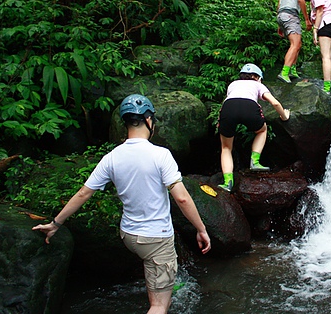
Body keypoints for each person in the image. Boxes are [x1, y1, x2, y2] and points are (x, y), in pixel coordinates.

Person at [32, 94, 211, 314]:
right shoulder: (160, 155)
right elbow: (182, 198)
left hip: (129, 235)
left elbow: (83, 193)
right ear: (148, 120)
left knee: (152, 274)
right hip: (156, 237)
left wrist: (55, 223)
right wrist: (201, 229)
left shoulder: (112, 157)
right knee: (159, 306)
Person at [217, 63, 290, 192]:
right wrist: (284, 116)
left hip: (228, 108)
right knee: (262, 130)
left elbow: (228, 101)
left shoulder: (233, 84)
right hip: (249, 107)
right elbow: (275, 103)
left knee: (226, 147)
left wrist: (220, 120)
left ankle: (228, 182)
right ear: (256, 77)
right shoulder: (258, 84)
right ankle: (254, 161)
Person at [277, 0, 312, 83]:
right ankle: (284, 72)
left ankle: (292, 69)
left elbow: (279, 4)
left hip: (282, 15)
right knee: (295, 44)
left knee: (298, 43)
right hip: (290, 15)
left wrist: (280, 25)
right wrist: (307, 19)